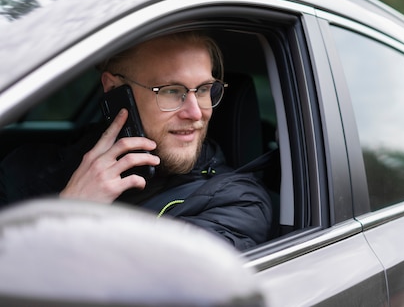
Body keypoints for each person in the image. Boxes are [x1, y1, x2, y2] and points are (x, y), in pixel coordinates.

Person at [0, 32, 273, 250]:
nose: (195, 112)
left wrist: (66, 219)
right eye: (171, 91)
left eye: (203, 90)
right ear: (114, 90)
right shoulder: (31, 165)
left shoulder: (238, 204)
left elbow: (145, 290)